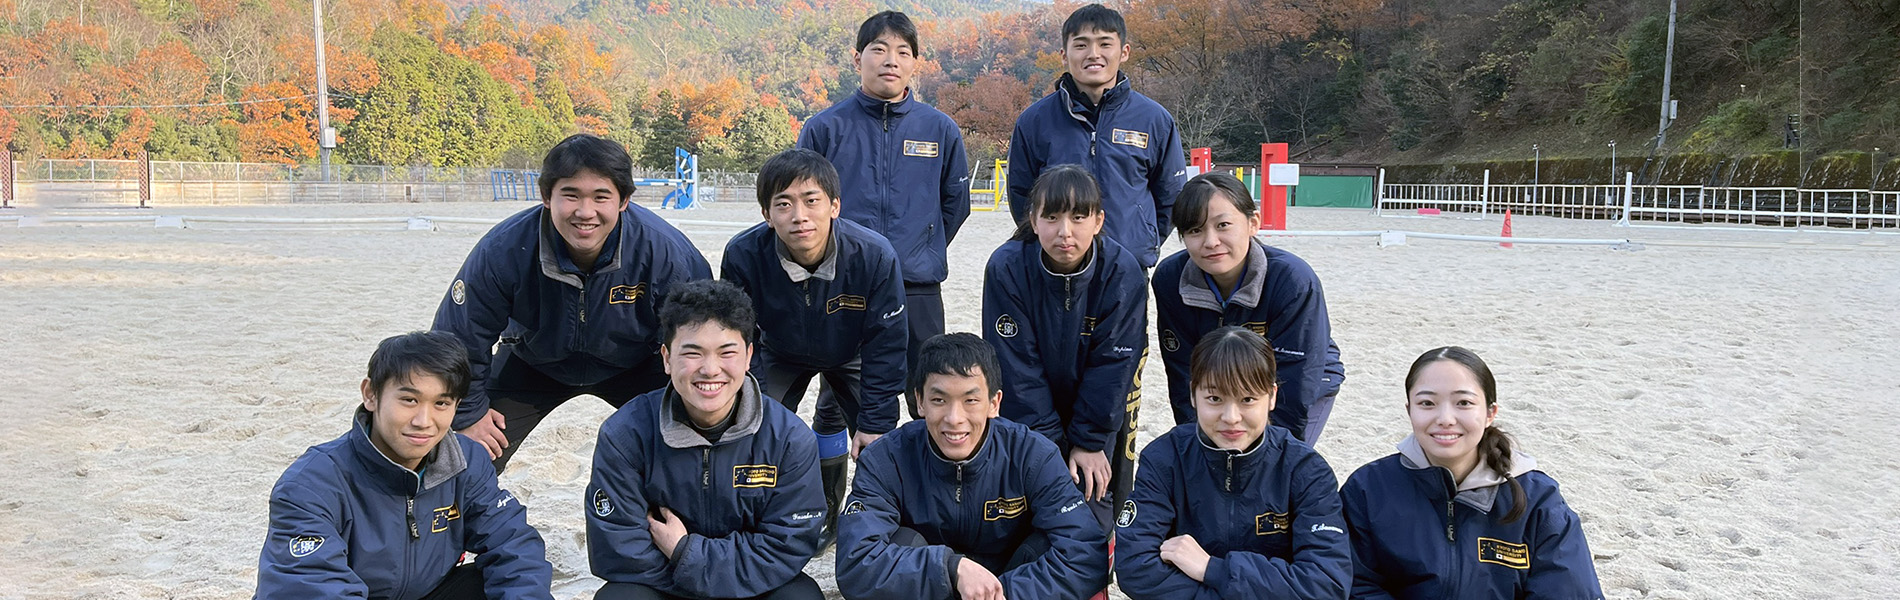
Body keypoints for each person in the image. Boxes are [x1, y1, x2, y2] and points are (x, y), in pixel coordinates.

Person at [433, 133, 712, 472]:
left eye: (601, 197)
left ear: (624, 200)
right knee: (460, 457)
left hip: (636, 364)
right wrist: (470, 413)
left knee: (694, 454)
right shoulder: (503, 250)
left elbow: (705, 336)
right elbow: (457, 337)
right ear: (547, 196)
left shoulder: (666, 252)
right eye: (571, 195)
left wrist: (696, 409)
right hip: (533, 363)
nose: (585, 212)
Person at [256, 331, 553, 599]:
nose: (424, 422)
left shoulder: (466, 462)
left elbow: (513, 545)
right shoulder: (312, 483)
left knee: (499, 585)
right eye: (409, 400)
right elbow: (311, 586)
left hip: (431, 589)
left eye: (441, 403)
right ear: (371, 395)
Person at [586, 279, 826, 600]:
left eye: (727, 352)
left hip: (751, 589)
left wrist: (686, 552)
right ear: (667, 358)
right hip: (667, 588)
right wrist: (696, 571)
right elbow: (619, 551)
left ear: (748, 356)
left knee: (801, 596)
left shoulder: (789, 438)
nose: (710, 370)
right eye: (693, 353)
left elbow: (788, 548)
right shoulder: (625, 434)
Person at [720, 148, 908, 547]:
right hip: (779, 351)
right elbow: (737, 338)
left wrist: (875, 423)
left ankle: (864, 523)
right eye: (783, 204)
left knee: (881, 446)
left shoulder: (874, 255)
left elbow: (887, 344)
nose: (799, 215)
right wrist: (751, 406)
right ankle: (784, 514)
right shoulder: (743, 254)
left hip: (852, 350)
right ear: (766, 215)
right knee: (747, 429)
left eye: (811, 200)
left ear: (835, 206)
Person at [835, 333, 1110, 600]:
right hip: (929, 588)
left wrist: (1000, 593)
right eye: (939, 400)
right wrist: (949, 568)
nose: (955, 418)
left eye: (971, 400)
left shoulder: (1034, 455)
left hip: (1011, 587)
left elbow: (1086, 553)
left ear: (994, 403)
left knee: (1050, 545)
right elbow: (855, 562)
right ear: (920, 401)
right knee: (900, 540)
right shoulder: (885, 459)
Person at [797, 10, 970, 398]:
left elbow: (954, 204)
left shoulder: (940, 129)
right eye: (879, 49)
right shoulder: (824, 128)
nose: (891, 60)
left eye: (903, 51)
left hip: (918, 284)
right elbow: (804, 203)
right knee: (837, 396)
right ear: (858, 59)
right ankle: (834, 462)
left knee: (928, 391)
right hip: (842, 281)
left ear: (914, 63)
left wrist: (922, 244)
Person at [1339, 347, 1603, 599]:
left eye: (1463, 402)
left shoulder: (1537, 497)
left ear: (1490, 413)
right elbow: (1354, 583)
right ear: (1409, 410)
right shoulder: (1368, 488)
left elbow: (1569, 590)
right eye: (1427, 403)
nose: (1445, 418)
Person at [1114, 327, 1351, 600]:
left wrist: (1213, 569)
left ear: (1271, 396)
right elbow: (1135, 568)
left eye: (1247, 399)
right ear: (1193, 395)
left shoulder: (1305, 470)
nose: (1231, 417)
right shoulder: (1165, 457)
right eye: (1215, 399)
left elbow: (1327, 583)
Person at [982, 164, 1148, 539]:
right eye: (1052, 217)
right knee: (1031, 505)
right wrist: (1049, 449)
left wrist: (1089, 442)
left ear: (1099, 220)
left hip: (1098, 410)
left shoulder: (1123, 271)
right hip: (1030, 414)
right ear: (1033, 219)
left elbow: (1114, 364)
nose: (1065, 232)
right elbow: (1016, 367)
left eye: (1078, 217)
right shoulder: (1007, 267)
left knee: (1094, 504)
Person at [1152, 172, 1344, 443]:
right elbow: (1183, 371)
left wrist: (1275, 454)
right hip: (1220, 378)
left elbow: (1298, 376)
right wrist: (1197, 443)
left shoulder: (1292, 280)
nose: (1210, 241)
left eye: (1223, 225)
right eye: (1195, 230)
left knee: (1275, 462)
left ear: (1253, 223)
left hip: (1301, 376)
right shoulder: (1171, 279)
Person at [1006, 3, 1187, 269]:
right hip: (1058, 265)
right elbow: (1022, 194)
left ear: (1124, 52)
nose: (1093, 54)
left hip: (1129, 266)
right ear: (1064, 54)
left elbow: (1171, 195)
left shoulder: (1154, 119)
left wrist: (1143, 240)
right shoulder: (1034, 121)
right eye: (1081, 45)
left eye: (1104, 44)